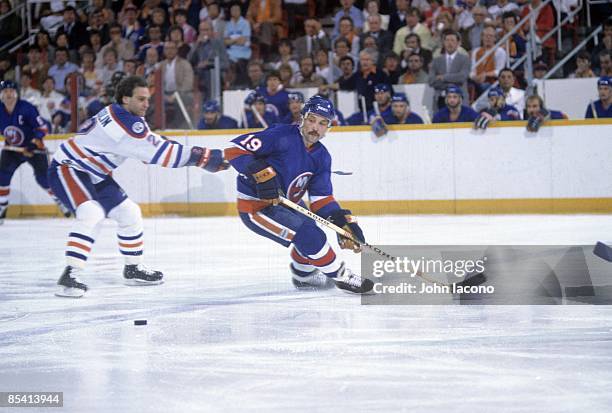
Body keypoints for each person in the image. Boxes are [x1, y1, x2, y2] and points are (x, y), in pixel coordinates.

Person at [47, 76, 228, 297]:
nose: (146, 104)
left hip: (93, 173)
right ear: (125, 99)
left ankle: (133, 269)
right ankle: (70, 275)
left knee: (129, 213)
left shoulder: (119, 114)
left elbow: (149, 144)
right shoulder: (127, 124)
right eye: (141, 99)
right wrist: (207, 158)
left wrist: (194, 155)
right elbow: (162, 153)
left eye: (148, 99)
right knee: (91, 213)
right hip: (68, 167)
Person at [224, 95, 373, 294]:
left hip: (287, 204)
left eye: (323, 123)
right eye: (311, 120)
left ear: (329, 127)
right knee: (310, 235)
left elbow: (321, 199)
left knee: (311, 229)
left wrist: (342, 221)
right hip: (257, 207)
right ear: (302, 118)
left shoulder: (322, 156)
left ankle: (303, 275)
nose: (315, 127)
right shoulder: (280, 135)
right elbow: (234, 149)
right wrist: (259, 171)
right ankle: (341, 276)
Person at [0, 80, 69, 225]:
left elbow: (43, 128)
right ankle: (2, 206)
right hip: (12, 149)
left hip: (34, 148)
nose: (8, 95)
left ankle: (61, 202)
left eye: (11, 92)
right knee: (2, 177)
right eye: (5, 92)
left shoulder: (26, 108)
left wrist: (33, 144)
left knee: (43, 179)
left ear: (17, 94)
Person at [428, 30, 471, 110]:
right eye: (447, 40)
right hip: (440, 98)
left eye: (452, 40)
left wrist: (443, 77)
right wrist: (453, 82)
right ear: (443, 43)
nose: (449, 43)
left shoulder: (465, 59)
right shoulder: (436, 60)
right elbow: (431, 80)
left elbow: (462, 77)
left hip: (460, 98)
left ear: (458, 43)